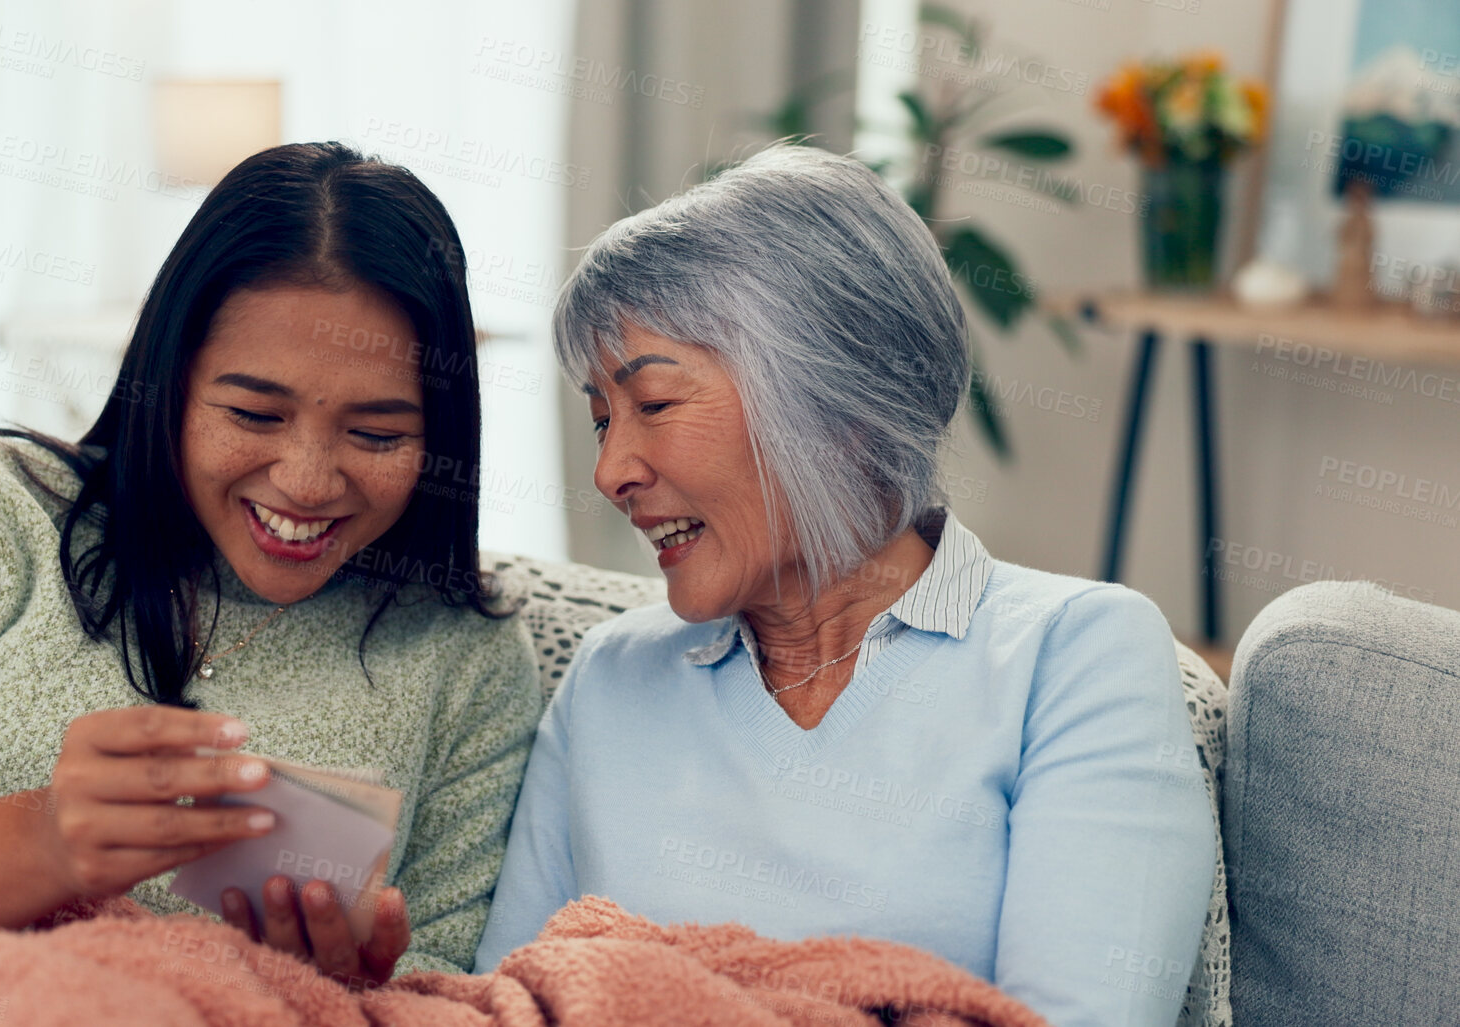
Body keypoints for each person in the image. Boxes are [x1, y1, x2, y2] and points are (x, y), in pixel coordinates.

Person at [0, 142, 543, 1024]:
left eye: (375, 434)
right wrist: (42, 842)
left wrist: (338, 986)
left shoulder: (464, 654)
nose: (308, 480)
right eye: (253, 413)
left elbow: (444, 991)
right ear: (164, 382)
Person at [473, 144, 1215, 1027]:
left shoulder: (1073, 654)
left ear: (843, 408)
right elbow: (503, 1005)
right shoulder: (610, 677)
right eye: (601, 418)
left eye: (654, 405)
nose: (610, 469)